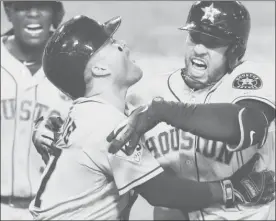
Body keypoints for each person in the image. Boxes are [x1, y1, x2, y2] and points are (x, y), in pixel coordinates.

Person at [28, 15, 275, 220]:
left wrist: (43, 125)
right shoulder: (108, 125)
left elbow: (247, 123)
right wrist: (231, 191)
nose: (123, 44)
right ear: (100, 69)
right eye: (112, 43)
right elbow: (161, 192)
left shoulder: (87, 113)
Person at [106, 1, 276, 220]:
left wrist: (163, 111)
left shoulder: (252, 79)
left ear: (235, 50)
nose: (198, 49)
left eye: (212, 42)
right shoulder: (146, 93)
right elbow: (155, 189)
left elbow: (248, 125)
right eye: (195, 37)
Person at [1, 1, 71, 220]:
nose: (33, 13)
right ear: (9, 12)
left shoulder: (74, 68)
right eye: (22, 6)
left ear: (55, 14)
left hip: (54, 211)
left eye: (42, 5)